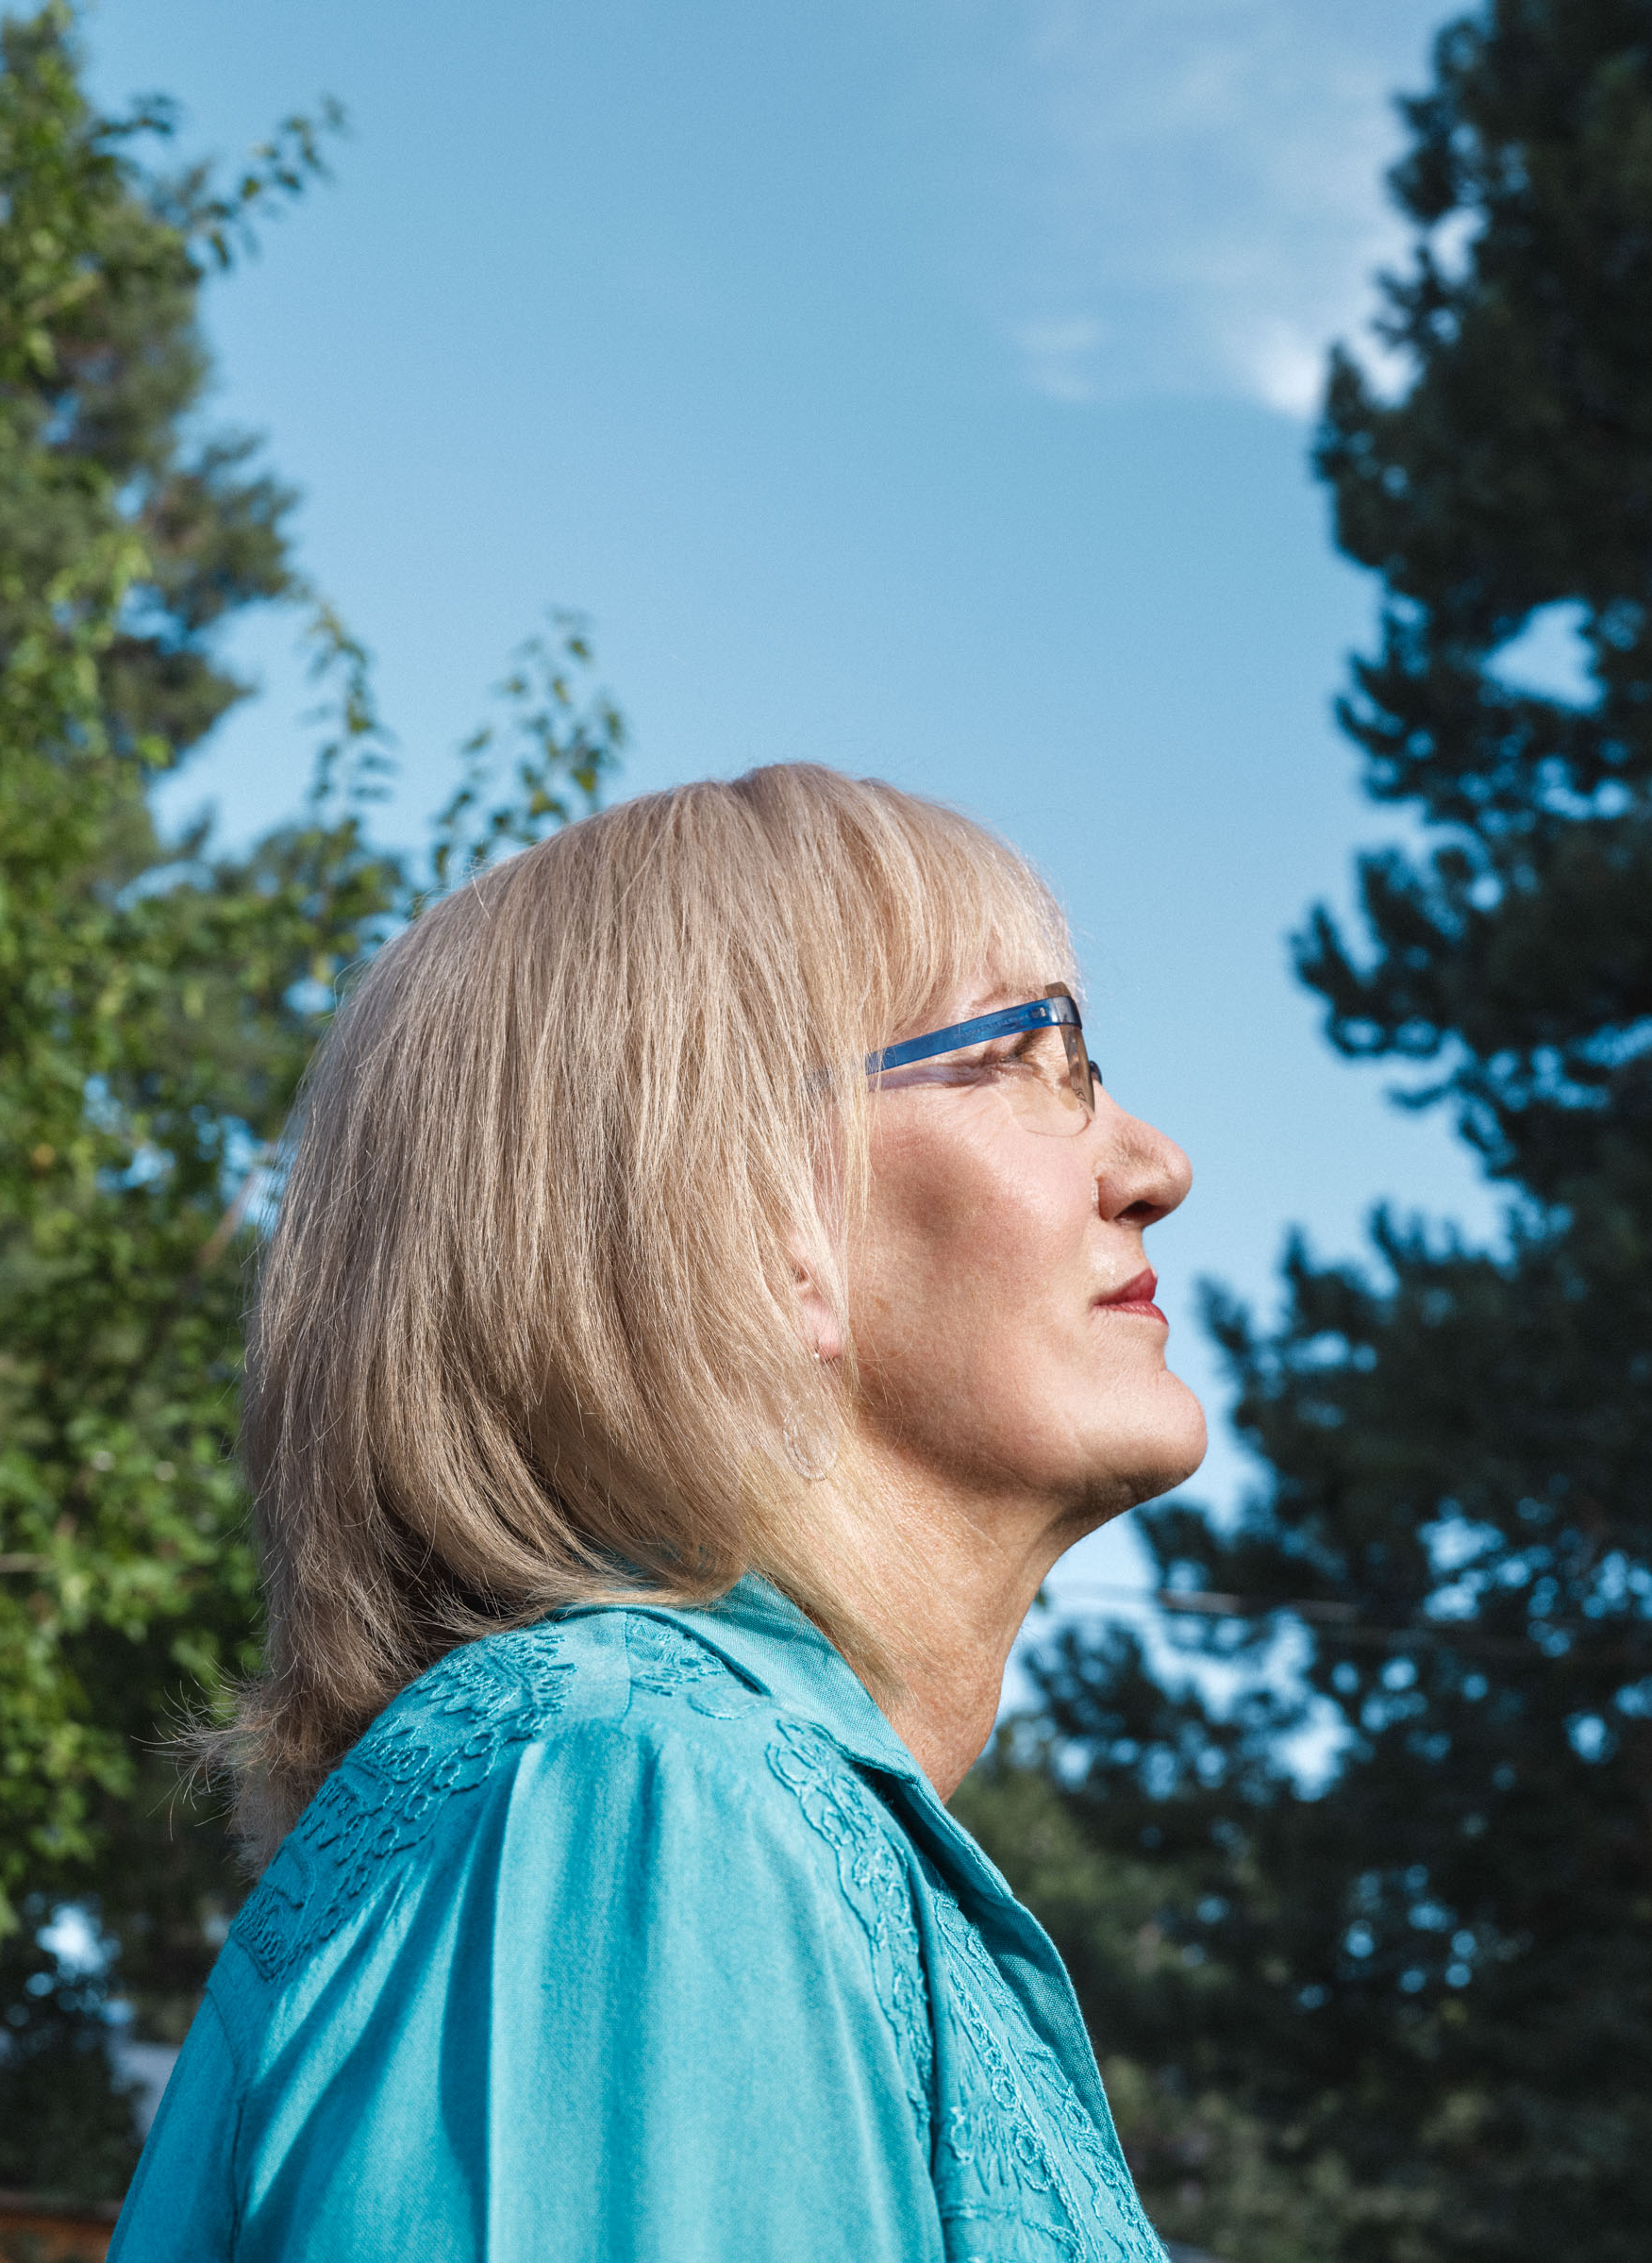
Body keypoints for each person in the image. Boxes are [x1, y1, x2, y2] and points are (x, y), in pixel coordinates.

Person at [111, 764, 1203, 2261]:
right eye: (1031, 1053)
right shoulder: (631, 1798)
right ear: (755, 1225)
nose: (1156, 1165)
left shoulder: (703, 1802)